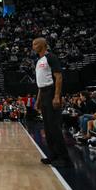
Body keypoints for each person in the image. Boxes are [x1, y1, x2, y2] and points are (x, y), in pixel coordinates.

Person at [33, 37, 71, 167]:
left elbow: (58, 77)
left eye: (36, 43)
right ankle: (53, 155)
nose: (33, 46)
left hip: (51, 92)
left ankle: (65, 159)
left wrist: (56, 96)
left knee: (54, 127)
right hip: (43, 93)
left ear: (43, 45)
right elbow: (40, 84)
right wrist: (38, 100)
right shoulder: (38, 61)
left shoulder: (51, 57)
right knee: (48, 128)